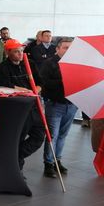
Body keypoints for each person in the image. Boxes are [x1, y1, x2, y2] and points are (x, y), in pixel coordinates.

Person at [0, 39, 46, 171]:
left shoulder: (30, 64)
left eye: (22, 51)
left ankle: (16, 156)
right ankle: (16, 169)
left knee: (39, 135)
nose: (20, 54)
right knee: (18, 138)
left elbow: (40, 82)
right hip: (18, 110)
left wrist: (35, 90)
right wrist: (21, 90)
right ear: (8, 52)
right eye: (16, 51)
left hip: (34, 106)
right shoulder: (3, 67)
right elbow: (4, 86)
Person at [39, 37, 75, 178]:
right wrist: (64, 81)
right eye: (65, 47)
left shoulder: (74, 64)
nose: (68, 50)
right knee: (52, 136)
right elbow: (44, 83)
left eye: (70, 48)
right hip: (55, 104)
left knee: (62, 135)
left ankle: (57, 160)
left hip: (71, 105)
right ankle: (48, 163)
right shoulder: (50, 63)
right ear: (58, 49)